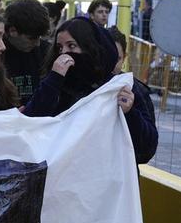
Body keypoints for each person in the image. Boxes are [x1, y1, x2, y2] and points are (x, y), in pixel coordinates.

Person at [33, 18, 157, 162]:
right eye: (60, 48)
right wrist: (53, 81)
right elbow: (32, 127)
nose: (64, 53)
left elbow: (146, 149)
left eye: (71, 46)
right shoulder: (55, 83)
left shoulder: (122, 87)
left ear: (90, 48)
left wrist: (130, 114)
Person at [107, 28, 158, 164]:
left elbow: (147, 150)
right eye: (106, 56)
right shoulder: (82, 85)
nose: (111, 64)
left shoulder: (136, 91)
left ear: (124, 58)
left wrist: (131, 113)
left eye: (117, 58)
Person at [1, 0, 53, 105]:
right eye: (32, 38)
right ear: (12, 31)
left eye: (40, 37)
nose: (37, 44)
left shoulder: (46, 51)